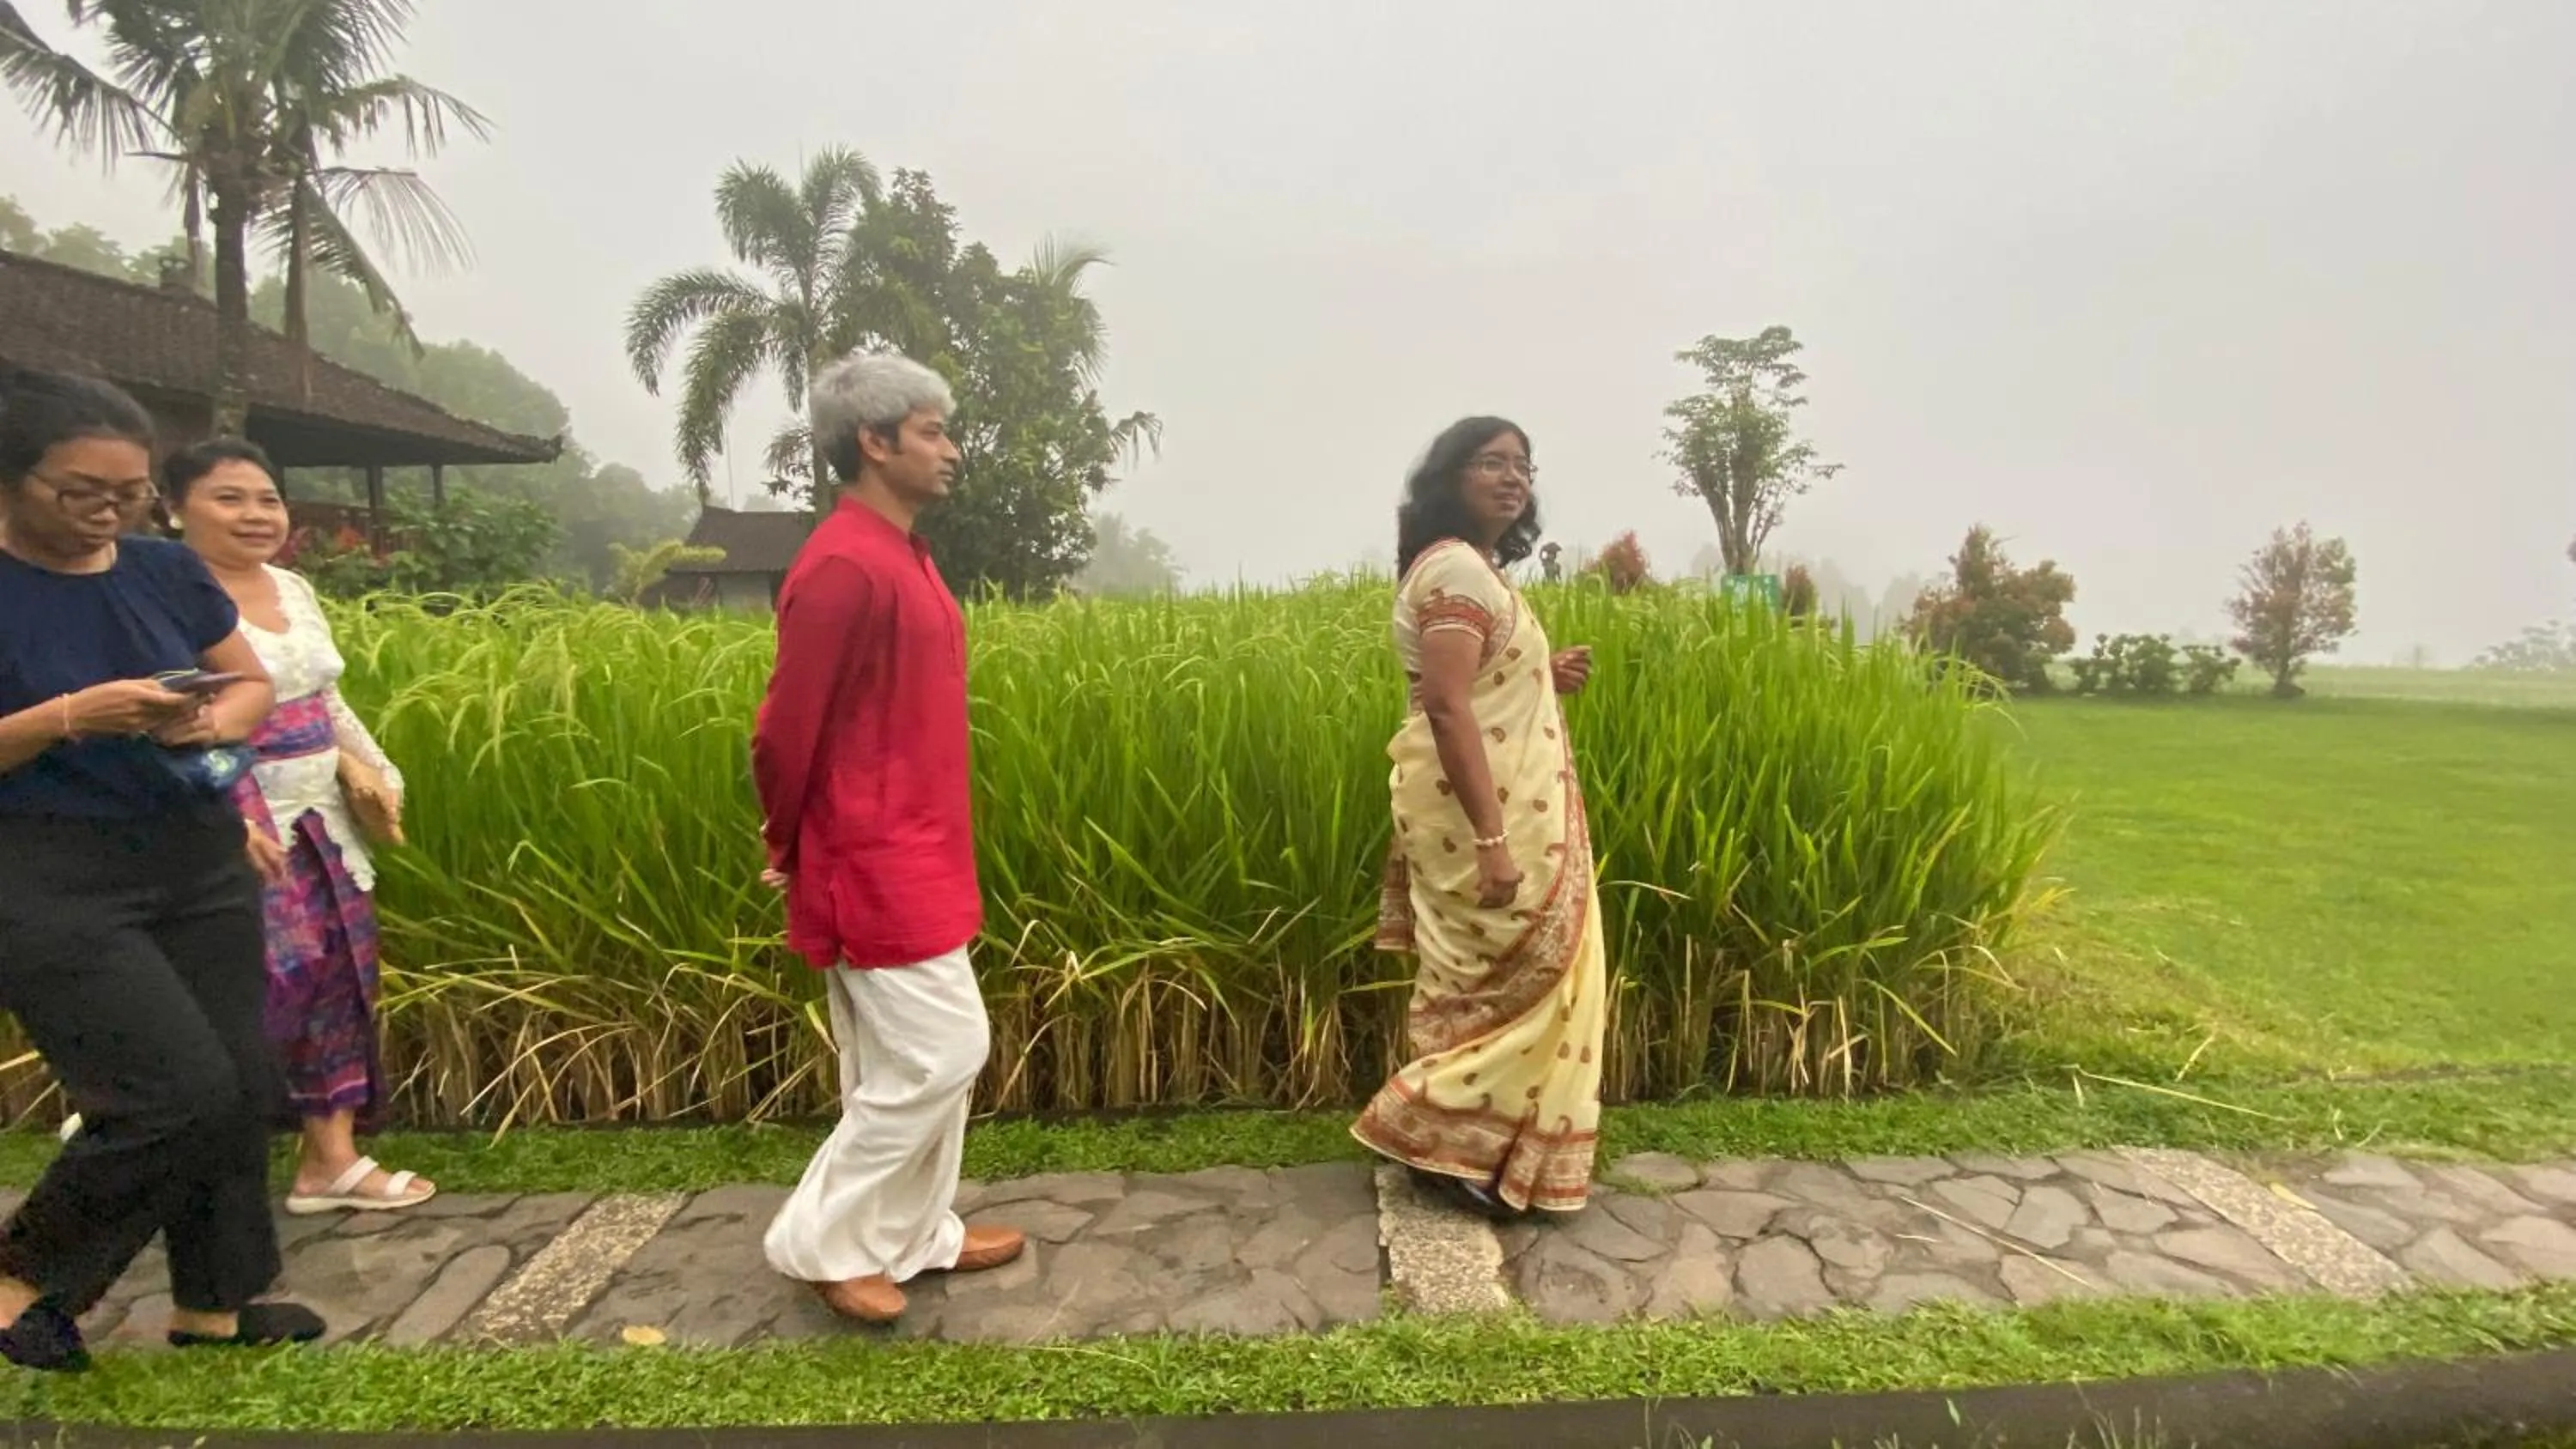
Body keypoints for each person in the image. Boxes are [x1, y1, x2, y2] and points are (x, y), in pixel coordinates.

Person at [0, 367, 325, 1372]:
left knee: (239, 1078)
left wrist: (210, 720)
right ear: (13, 477)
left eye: (129, 491)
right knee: (169, 1088)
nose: (109, 510)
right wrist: (70, 715)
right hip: (46, 862)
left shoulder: (160, 568)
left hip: (193, 846)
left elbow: (248, 681)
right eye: (80, 491)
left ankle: (215, 1301)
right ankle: (22, 1275)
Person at [750, 352, 1024, 1325]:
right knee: (942, 1052)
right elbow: (784, 731)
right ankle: (824, 1241)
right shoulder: (842, 565)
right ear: (873, 441)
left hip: (923, 843)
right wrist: (789, 842)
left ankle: (912, 1236)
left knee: (908, 1062)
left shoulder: (905, 553)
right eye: (931, 432)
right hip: (871, 854)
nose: (951, 450)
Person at [1352, 416, 1609, 1220]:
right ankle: (1432, 1130)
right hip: (1481, 815)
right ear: (1451, 477)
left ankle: (1473, 1143)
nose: (1513, 477)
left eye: (1523, 465)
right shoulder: (1458, 571)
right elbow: (1446, 705)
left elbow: (1476, 682)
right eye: (1491, 462)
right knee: (1509, 976)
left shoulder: (1475, 571)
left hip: (1499, 804)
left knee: (1494, 978)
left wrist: (1539, 672)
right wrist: (1493, 841)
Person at [167, 439, 432, 1216]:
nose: (255, 515)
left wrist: (370, 769)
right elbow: (173, 722)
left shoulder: (291, 587)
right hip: (237, 818)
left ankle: (329, 1160)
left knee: (340, 975)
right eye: (229, 498)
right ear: (173, 507)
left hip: (322, 817)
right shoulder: (164, 594)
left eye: (268, 498)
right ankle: (162, 1145)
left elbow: (325, 699)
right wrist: (230, 813)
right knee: (260, 984)